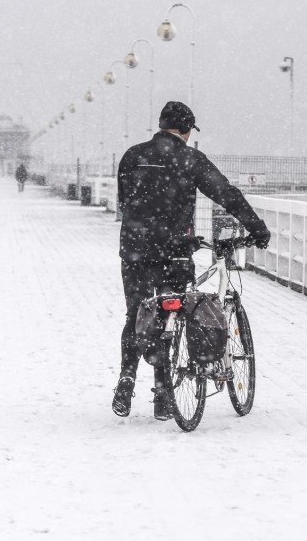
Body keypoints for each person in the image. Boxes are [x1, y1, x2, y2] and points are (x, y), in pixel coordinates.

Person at [112, 101, 271, 420]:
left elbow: (122, 200)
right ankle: (162, 394)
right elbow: (226, 194)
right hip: (174, 251)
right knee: (172, 311)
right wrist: (257, 228)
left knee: (139, 311)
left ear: (160, 125)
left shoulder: (133, 155)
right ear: (186, 130)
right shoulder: (190, 158)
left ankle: (126, 380)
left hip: (135, 249)